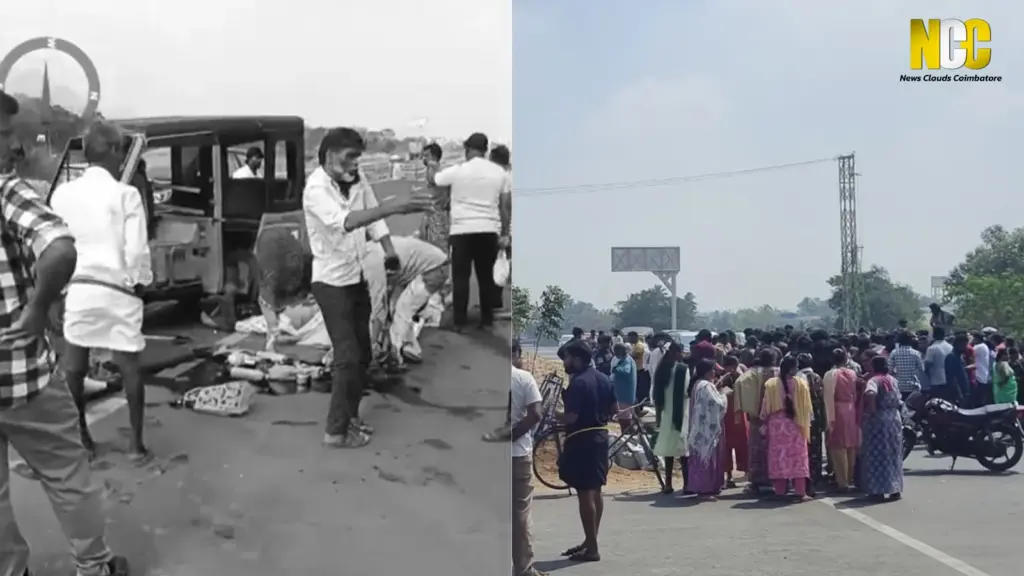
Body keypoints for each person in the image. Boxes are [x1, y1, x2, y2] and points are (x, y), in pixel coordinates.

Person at [0, 89, 130, 576]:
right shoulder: (8, 190)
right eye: (3, 135)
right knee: (67, 473)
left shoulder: (57, 189)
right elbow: (58, 248)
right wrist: (38, 308)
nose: (14, 147)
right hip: (21, 371)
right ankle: (94, 566)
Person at [304, 127, 432, 448]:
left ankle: (350, 418)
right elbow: (346, 221)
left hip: (357, 277)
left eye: (357, 158)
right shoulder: (316, 188)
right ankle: (334, 431)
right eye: (349, 157)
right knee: (346, 357)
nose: (354, 164)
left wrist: (389, 250)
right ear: (331, 155)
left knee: (363, 354)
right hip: (330, 283)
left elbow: (373, 219)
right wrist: (394, 206)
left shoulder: (357, 180)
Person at [50, 120, 154, 463]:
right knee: (130, 368)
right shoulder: (126, 195)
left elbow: (53, 244)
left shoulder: (63, 194)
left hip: (78, 288)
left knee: (74, 369)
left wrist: (55, 291)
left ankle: (84, 440)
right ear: (112, 151)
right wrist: (141, 282)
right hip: (116, 288)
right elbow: (137, 249)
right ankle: (136, 447)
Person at [426, 132, 511, 331]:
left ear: (467, 149)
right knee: (485, 277)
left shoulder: (458, 170)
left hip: (461, 230)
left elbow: (435, 180)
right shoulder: (500, 173)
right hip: (488, 230)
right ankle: (487, 319)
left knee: (461, 277)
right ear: (485, 150)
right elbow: (504, 207)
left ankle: (460, 321)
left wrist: (431, 164)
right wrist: (505, 233)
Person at [557, 341, 616, 563]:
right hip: (600, 438)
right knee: (595, 490)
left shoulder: (578, 384)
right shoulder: (603, 378)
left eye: (568, 357)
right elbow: (614, 410)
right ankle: (590, 541)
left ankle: (592, 548)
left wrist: (555, 414)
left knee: (584, 493)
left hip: (582, 440)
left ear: (577, 358)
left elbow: (570, 418)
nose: (565, 362)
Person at [510, 341, 548, 576]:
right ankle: (523, 569)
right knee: (520, 515)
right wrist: (512, 434)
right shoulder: (523, 378)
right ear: (513, 353)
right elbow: (536, 413)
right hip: (517, 454)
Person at [761, 356, 813, 501]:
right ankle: (800, 492)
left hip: (776, 424)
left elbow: (765, 408)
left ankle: (779, 491)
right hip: (797, 423)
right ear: (792, 369)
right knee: (798, 458)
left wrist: (764, 422)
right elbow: (808, 408)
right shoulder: (801, 384)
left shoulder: (770, 384)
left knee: (779, 457)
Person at [733, 349, 778, 494]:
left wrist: (746, 407)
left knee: (756, 450)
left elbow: (739, 382)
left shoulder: (752, 373)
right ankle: (778, 479)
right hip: (777, 419)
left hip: (757, 419)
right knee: (776, 449)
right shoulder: (779, 372)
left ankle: (757, 481)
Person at [860, 355, 904, 501]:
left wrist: (870, 410)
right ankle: (895, 489)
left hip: (879, 420)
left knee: (877, 455)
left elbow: (870, 393)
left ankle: (878, 490)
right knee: (893, 454)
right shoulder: (893, 380)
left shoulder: (874, 380)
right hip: (894, 418)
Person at [687, 358, 729, 501]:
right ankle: (704, 490)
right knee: (707, 458)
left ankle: (708, 487)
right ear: (706, 371)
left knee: (703, 457)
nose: (714, 373)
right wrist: (723, 395)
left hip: (700, 428)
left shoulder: (698, 384)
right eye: (712, 370)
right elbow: (716, 404)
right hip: (706, 430)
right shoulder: (705, 386)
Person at [651, 342, 690, 494]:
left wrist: (658, 418)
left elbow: (657, 397)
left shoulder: (661, 370)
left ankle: (668, 484)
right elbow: (687, 392)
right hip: (681, 415)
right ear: (677, 353)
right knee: (683, 452)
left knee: (669, 452)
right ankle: (687, 484)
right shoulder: (682, 370)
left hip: (666, 415)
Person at [823, 348, 861, 492]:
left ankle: (842, 481)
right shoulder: (852, 373)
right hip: (851, 409)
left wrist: (829, 419)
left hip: (837, 409)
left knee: (838, 447)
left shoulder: (830, 375)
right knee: (851, 445)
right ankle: (849, 477)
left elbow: (828, 397)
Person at [719, 355, 748, 488]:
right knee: (735, 445)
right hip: (736, 416)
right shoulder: (738, 376)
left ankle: (738, 474)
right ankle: (730, 476)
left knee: (738, 445)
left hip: (734, 415)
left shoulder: (739, 378)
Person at [797, 353, 824, 494]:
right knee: (816, 447)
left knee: (803, 447)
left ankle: (803, 478)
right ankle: (815, 477)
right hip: (817, 415)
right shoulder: (817, 377)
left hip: (802, 415)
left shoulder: (797, 378)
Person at [419, 142, 451, 251]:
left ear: (434, 156)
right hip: (434, 214)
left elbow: (433, 179)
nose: (424, 159)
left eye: (426, 156)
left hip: (437, 215)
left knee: (437, 249)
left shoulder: (433, 168)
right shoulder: (441, 170)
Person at [888, 330, 924, 400]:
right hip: (913, 386)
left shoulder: (894, 353)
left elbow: (890, 370)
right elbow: (922, 368)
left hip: (898, 386)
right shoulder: (916, 353)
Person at [609, 342, 637, 432]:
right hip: (623, 392)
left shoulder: (627, 360)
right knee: (627, 413)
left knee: (624, 414)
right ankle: (631, 430)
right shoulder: (624, 360)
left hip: (625, 392)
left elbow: (626, 370)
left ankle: (627, 432)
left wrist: (616, 369)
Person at [924, 327, 955, 402]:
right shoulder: (950, 347)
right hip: (949, 380)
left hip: (936, 381)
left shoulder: (932, 348)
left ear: (933, 336)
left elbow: (928, 364)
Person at [628, 331, 652, 400]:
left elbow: (635, 356)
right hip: (638, 369)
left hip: (641, 370)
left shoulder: (639, 346)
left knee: (641, 389)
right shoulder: (635, 345)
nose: (629, 340)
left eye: (630, 338)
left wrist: (628, 355)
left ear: (635, 337)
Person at [971, 332, 993, 407]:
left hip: (979, 376)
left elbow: (969, 352)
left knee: (977, 399)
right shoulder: (984, 346)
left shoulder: (978, 347)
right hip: (983, 375)